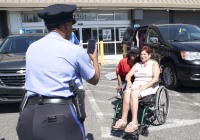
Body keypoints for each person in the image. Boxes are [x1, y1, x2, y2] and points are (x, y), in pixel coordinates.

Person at [16, 4, 100, 140]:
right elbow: (94, 79)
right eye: (71, 25)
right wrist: (94, 60)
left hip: (28, 115)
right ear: (67, 25)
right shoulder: (74, 50)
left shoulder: (32, 48)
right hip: (58, 117)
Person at [113, 45, 160, 133]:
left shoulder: (154, 63)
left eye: (145, 54)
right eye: (141, 54)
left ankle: (134, 122)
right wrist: (129, 82)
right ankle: (123, 120)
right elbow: (128, 75)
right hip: (136, 85)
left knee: (134, 93)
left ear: (149, 55)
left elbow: (155, 78)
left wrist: (143, 87)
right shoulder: (137, 64)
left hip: (149, 86)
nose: (143, 56)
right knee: (127, 92)